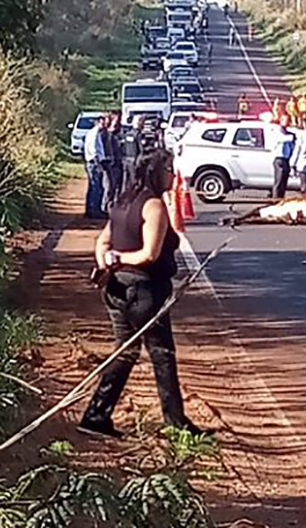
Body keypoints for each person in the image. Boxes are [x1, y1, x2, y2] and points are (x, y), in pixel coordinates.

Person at [79, 149, 205, 438]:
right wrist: (120, 258)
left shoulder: (124, 201)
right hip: (143, 291)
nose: (173, 176)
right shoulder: (153, 207)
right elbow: (149, 254)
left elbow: (103, 243)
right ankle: (175, 424)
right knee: (161, 353)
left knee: (126, 352)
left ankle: (96, 415)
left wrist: (107, 262)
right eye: (169, 169)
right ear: (154, 172)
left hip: (116, 288)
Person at [84, 116, 107, 219]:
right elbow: (93, 148)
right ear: (97, 123)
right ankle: (95, 211)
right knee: (96, 187)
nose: (103, 125)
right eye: (101, 123)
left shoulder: (93, 133)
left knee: (93, 186)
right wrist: (98, 162)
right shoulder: (94, 133)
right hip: (94, 162)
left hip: (92, 162)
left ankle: (90, 209)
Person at [271, 114, 295, 200]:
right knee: (279, 181)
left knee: (284, 182)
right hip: (279, 159)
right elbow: (282, 138)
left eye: (289, 120)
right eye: (286, 120)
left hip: (286, 159)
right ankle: (276, 200)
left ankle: (281, 199)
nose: (288, 122)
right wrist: (293, 137)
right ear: (281, 120)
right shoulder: (277, 130)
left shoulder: (287, 132)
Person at [108, 113, 124, 207]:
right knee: (111, 186)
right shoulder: (108, 136)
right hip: (112, 164)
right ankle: (109, 204)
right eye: (115, 122)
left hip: (119, 162)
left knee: (119, 185)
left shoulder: (119, 134)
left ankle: (116, 202)